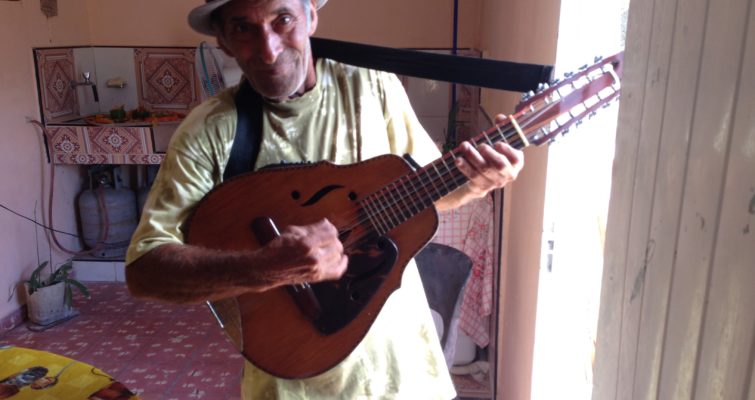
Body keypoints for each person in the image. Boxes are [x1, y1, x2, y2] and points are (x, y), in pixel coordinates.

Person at [125, 0, 524, 398]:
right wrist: (265, 267)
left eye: (283, 19)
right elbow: (144, 270)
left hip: (405, 375)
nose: (268, 49)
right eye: (243, 29)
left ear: (311, 17)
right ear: (224, 42)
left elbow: (427, 197)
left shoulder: (373, 89)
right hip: (294, 383)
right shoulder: (208, 132)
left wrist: (476, 183)